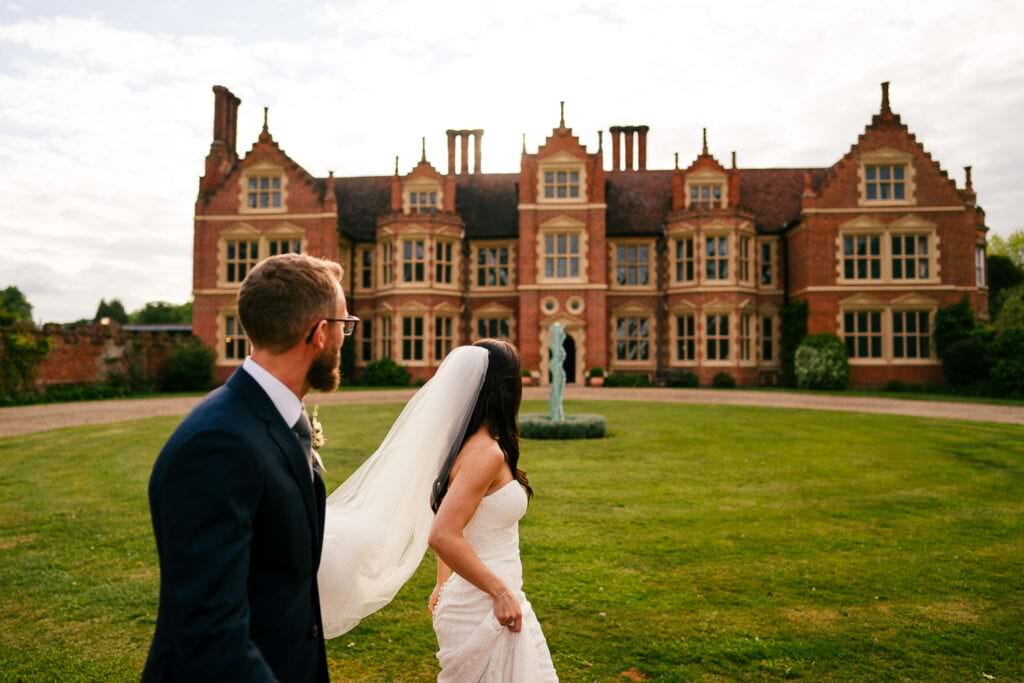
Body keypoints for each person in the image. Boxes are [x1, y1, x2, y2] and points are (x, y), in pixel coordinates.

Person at [142, 253, 357, 682]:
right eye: (343, 326)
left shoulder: (276, 418)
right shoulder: (216, 446)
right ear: (319, 333)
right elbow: (209, 633)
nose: (343, 339)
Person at [427, 340, 558, 681]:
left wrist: (443, 583)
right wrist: (499, 593)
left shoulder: (464, 445)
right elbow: (443, 533)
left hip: (491, 595)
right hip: (487, 604)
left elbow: (454, 518)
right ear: (506, 388)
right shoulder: (486, 453)